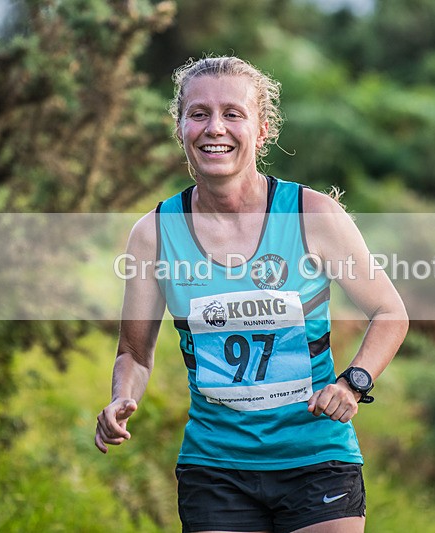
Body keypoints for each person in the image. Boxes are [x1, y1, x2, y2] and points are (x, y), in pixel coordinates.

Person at [94, 55, 408, 533]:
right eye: (198, 113)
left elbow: (389, 312)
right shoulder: (154, 234)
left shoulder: (311, 215)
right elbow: (135, 354)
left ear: (262, 131)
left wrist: (353, 382)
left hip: (316, 456)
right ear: (181, 128)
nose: (213, 127)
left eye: (233, 114)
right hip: (215, 466)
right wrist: (120, 397)